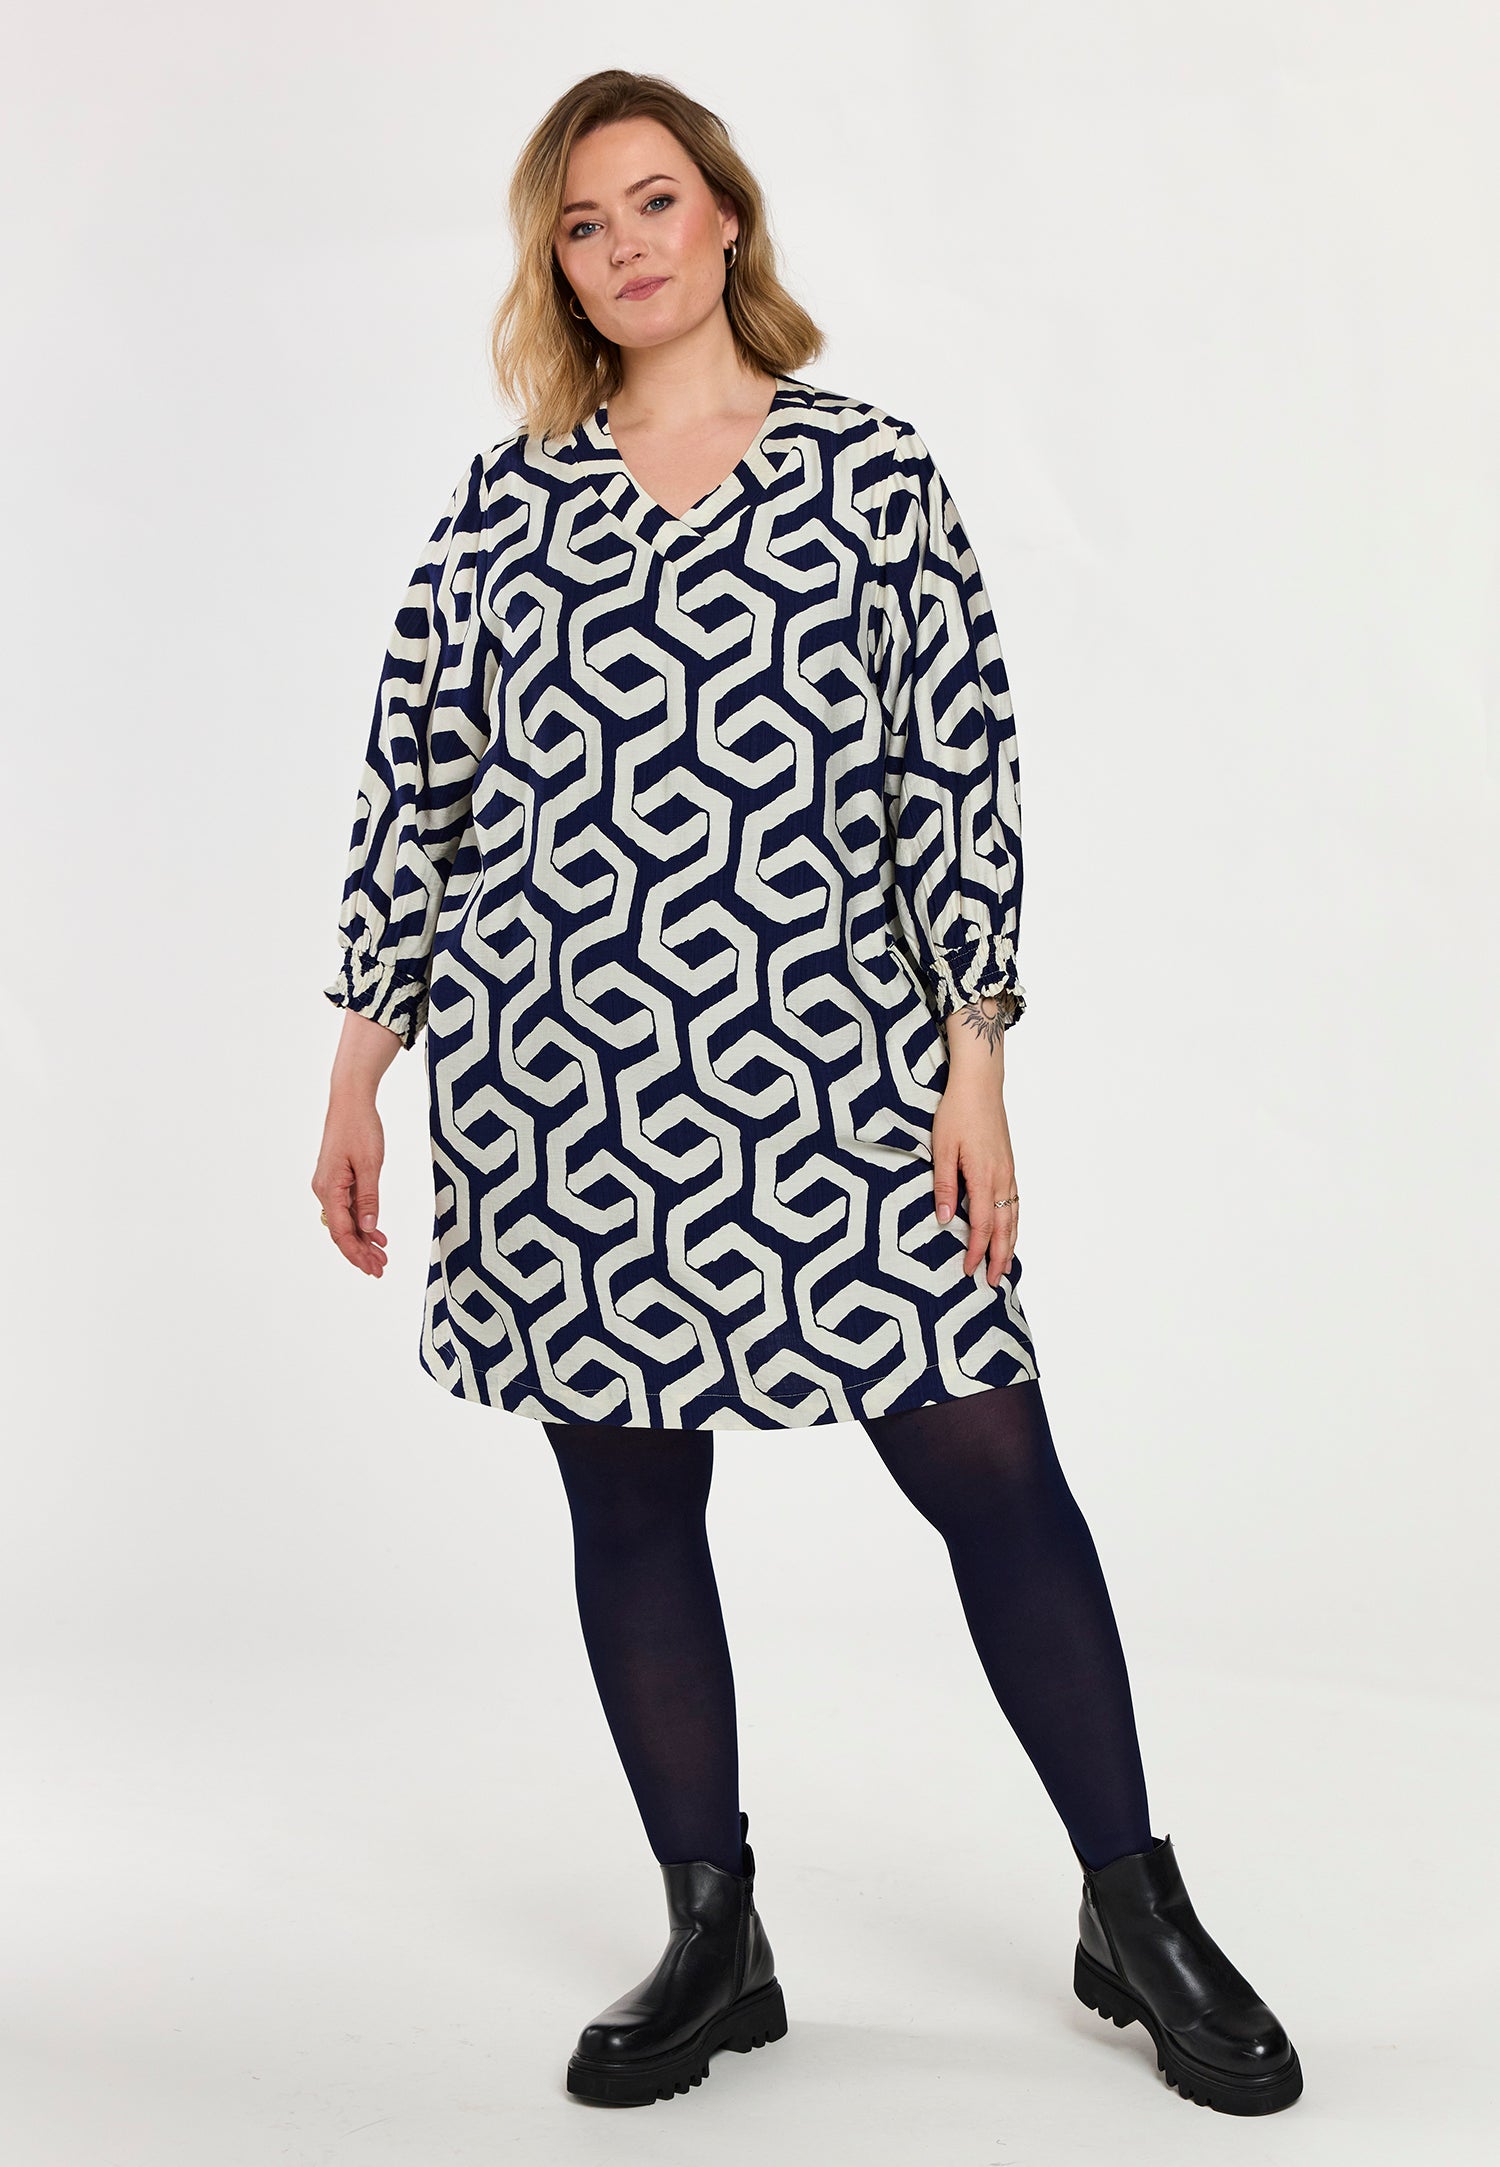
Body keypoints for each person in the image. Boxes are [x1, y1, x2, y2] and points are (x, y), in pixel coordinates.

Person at [311, 68, 1303, 2118]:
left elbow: (958, 776)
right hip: (560, 1084)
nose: (625, 245)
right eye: (583, 222)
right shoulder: (506, 504)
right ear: (556, 265)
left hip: (833, 1072)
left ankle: (1136, 1904)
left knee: (985, 1457)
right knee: (626, 1485)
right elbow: (420, 787)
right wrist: (360, 1066)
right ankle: (714, 1930)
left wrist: (976, 1059)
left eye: (654, 202)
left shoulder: (869, 477)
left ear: (729, 219)